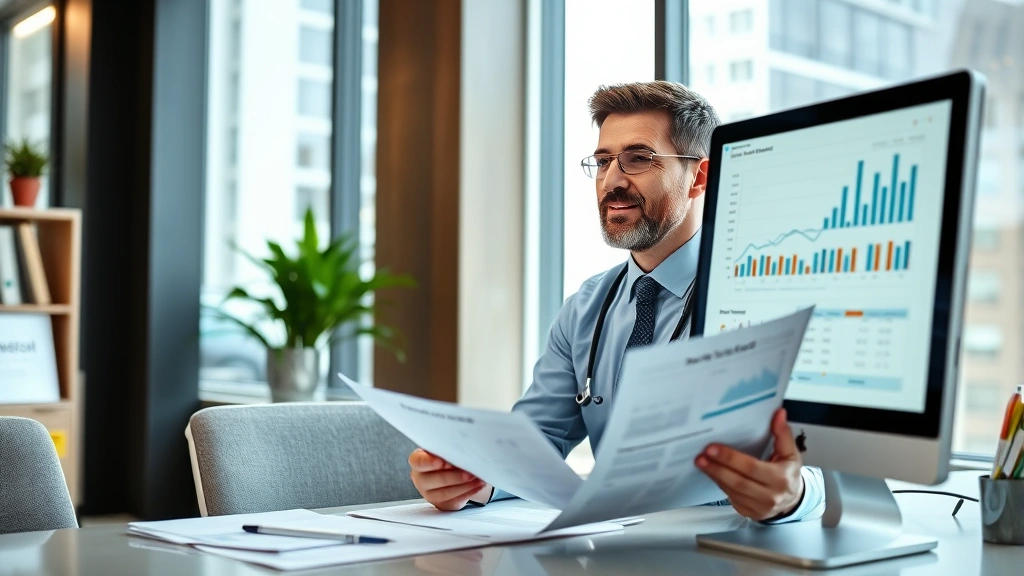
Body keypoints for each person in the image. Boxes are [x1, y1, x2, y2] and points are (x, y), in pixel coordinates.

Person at [409, 81, 824, 523]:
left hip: (731, 546)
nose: (612, 181)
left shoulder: (760, 296)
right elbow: (535, 443)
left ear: (699, 177)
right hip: (614, 547)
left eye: (638, 159)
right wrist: (477, 477)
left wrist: (794, 496)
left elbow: (827, 460)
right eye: (604, 161)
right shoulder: (585, 308)